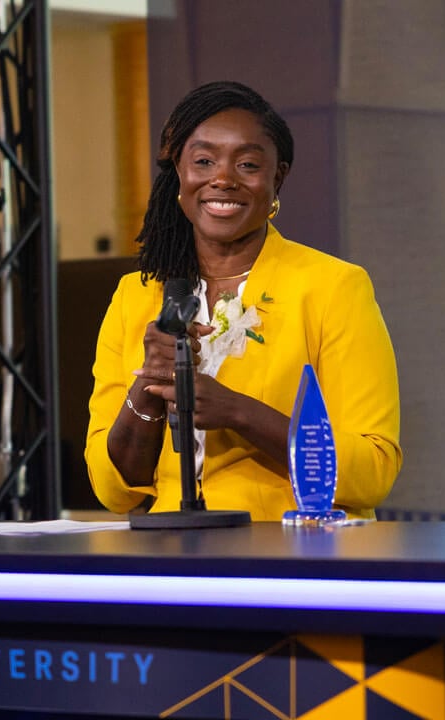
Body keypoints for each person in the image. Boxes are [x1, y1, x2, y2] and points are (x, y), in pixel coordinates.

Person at [84, 81, 402, 521]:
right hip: (171, 556)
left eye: (248, 163)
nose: (223, 178)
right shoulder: (137, 295)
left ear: (278, 177)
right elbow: (112, 490)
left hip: (292, 554)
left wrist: (238, 411)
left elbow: (372, 471)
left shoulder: (333, 287)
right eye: (203, 161)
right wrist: (149, 384)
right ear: (179, 172)